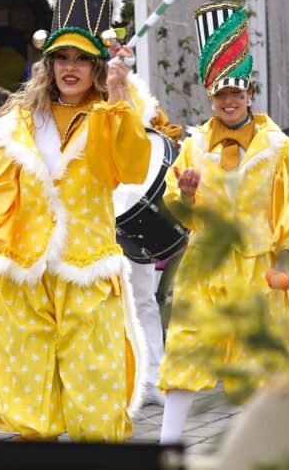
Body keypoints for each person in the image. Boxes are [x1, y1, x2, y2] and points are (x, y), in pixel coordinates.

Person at [0, 0, 151, 442]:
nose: (69, 67)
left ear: (97, 64)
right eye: (61, 57)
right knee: (28, 406)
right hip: (26, 277)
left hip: (86, 273)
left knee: (94, 405)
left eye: (80, 58)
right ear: (48, 63)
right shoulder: (19, 124)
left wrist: (118, 100)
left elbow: (127, 166)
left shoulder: (110, 114)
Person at [158, 2, 289, 443]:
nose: (229, 102)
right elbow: (179, 210)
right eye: (221, 95)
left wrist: (283, 262)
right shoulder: (193, 146)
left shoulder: (277, 148)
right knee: (188, 349)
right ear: (211, 98)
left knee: (263, 359)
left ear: (248, 95)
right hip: (205, 265)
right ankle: (167, 445)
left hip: (257, 268)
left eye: (236, 94)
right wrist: (186, 194)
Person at [113, 42, 185, 408]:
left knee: (142, 298)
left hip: (125, 217)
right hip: (81, 218)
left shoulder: (136, 97)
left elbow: (167, 133)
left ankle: (153, 377)